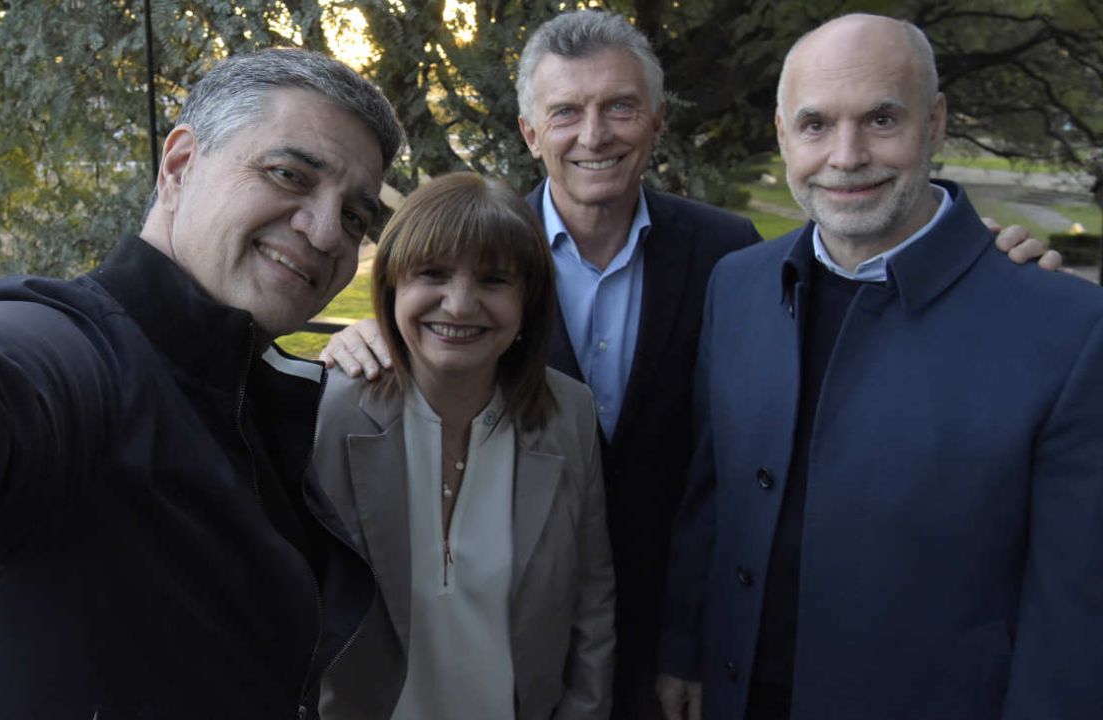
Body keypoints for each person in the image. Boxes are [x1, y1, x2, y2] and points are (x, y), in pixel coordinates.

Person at [319, 10, 1055, 718]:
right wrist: (375, 337)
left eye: (621, 107)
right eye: (567, 111)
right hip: (518, 627)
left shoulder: (730, 255)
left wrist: (975, 257)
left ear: (657, 121)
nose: (594, 134)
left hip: (678, 630)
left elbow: (749, 440)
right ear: (530, 132)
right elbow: (426, 317)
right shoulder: (486, 257)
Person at [0, 49, 404, 718]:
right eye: (289, 174)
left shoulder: (247, 400)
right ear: (179, 165)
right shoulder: (67, 354)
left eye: (354, 217)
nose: (327, 232)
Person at [658, 14, 1103, 720]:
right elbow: (713, 493)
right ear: (782, 134)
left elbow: (1072, 619)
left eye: (881, 120)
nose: (846, 155)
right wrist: (687, 648)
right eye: (815, 125)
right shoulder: (737, 285)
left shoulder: (1069, 330)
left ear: (935, 123)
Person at [313, 172, 614, 720]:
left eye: (494, 280)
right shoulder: (329, 415)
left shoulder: (569, 414)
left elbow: (591, 602)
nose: (458, 304)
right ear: (392, 284)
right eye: (432, 273)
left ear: (528, 301)